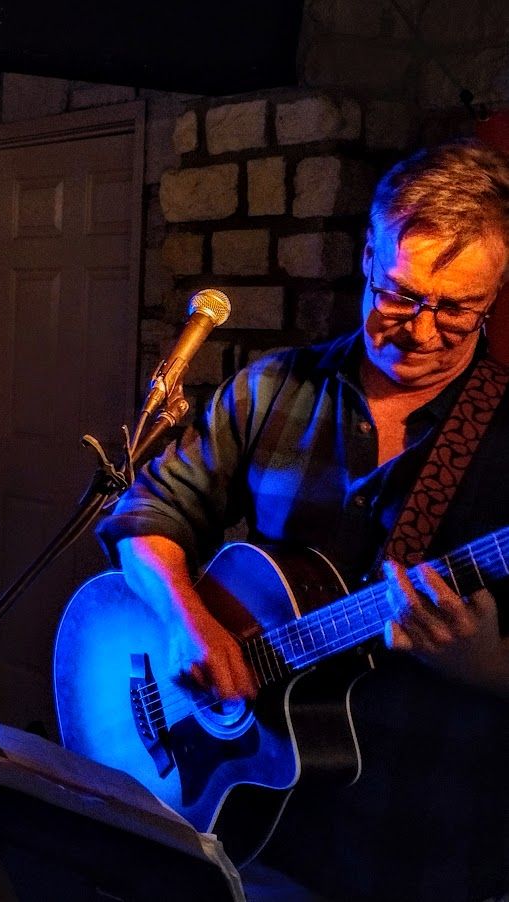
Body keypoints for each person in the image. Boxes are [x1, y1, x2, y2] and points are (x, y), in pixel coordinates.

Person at [96, 139, 509, 901]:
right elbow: (148, 510)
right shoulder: (272, 389)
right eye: (399, 294)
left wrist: (490, 668)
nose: (420, 331)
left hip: (427, 835)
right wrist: (188, 621)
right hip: (249, 821)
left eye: (456, 309)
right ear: (367, 257)